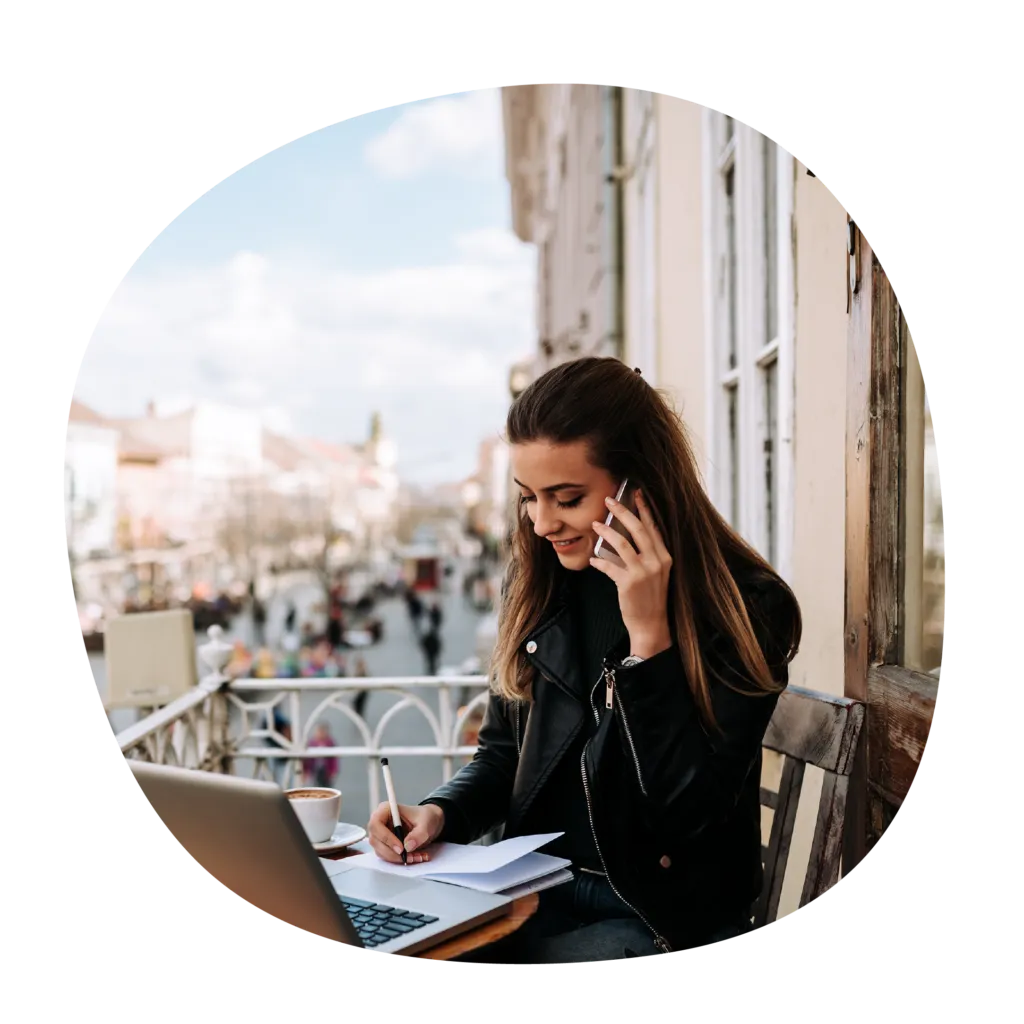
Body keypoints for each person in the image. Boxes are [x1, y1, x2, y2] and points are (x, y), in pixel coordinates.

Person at [365, 357, 801, 967]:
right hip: (528, 893)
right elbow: (503, 755)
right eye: (528, 498)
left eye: (566, 498)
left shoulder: (745, 605)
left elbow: (690, 816)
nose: (542, 523)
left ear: (639, 487)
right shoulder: (543, 583)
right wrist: (439, 812)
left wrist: (649, 641)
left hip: (658, 918)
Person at [304, 722, 339, 788]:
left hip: (326, 770)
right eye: (319, 731)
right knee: (315, 785)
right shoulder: (311, 743)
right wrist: (306, 771)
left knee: (327, 786)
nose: (320, 734)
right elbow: (307, 759)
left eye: (322, 732)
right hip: (315, 769)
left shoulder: (330, 743)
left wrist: (334, 770)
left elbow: (333, 759)